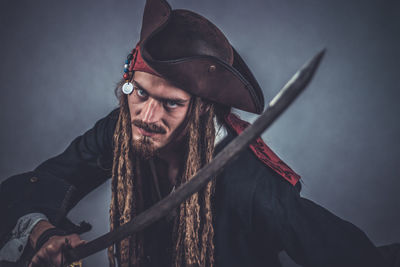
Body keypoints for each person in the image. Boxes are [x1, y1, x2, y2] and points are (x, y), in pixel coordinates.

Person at [0, 0, 399, 266]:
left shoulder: (252, 185)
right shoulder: (121, 131)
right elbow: (46, 179)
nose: (147, 115)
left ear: (201, 110)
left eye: (171, 103)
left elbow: (343, 252)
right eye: (139, 93)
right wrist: (44, 232)